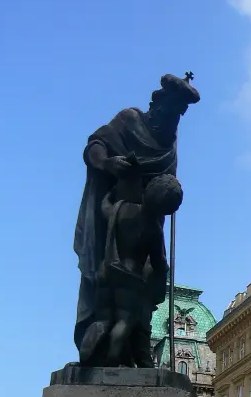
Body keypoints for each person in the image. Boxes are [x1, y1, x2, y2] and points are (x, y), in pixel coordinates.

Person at [73, 73, 200, 367]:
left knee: (133, 310)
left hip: (141, 226)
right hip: (114, 230)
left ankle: (133, 357)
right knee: (115, 310)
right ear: (157, 105)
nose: (172, 120)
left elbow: (166, 189)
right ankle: (109, 358)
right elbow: (96, 144)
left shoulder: (169, 146)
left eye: (178, 116)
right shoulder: (129, 120)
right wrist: (106, 163)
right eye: (169, 112)